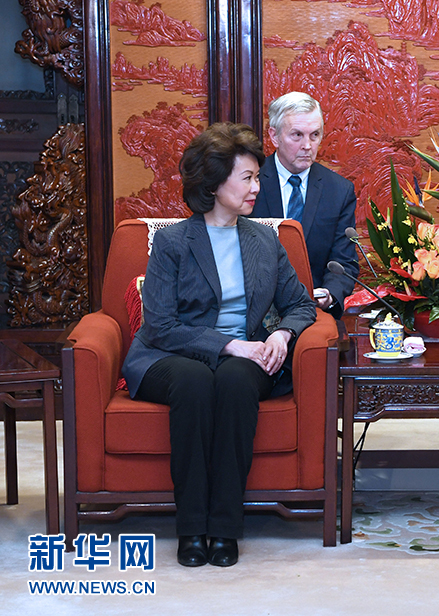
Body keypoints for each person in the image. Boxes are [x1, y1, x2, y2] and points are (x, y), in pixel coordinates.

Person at [121, 123, 317, 568]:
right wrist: (230, 345)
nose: (256, 187)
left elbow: (301, 304)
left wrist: (282, 334)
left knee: (235, 381)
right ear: (213, 184)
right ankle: (192, 528)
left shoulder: (265, 239)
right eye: (247, 178)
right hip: (170, 355)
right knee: (193, 382)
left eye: (257, 177)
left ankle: (225, 528)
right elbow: (161, 325)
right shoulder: (173, 242)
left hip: (244, 357)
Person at [252, 91, 359, 317]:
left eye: (315, 135)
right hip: (254, 311)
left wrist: (329, 295)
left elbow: (344, 262)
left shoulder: (339, 191)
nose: (308, 145)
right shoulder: (250, 182)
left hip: (312, 311)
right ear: (274, 136)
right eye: (297, 135)